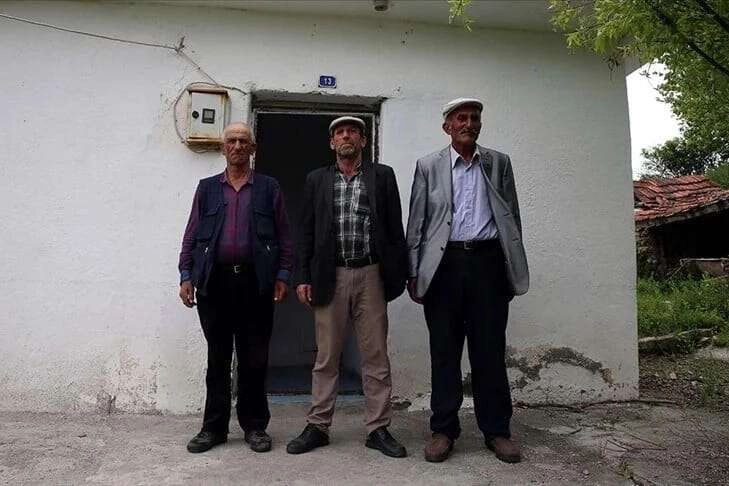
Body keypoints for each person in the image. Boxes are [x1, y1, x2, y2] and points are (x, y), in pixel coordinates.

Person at [405, 98, 529, 463]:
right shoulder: (428, 166)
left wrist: (510, 267)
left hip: (488, 264)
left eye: (475, 118)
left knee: (489, 351)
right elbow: (417, 222)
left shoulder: (498, 162)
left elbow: (511, 217)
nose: (469, 123)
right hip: (443, 266)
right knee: (444, 351)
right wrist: (414, 272)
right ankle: (444, 430)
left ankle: (497, 431)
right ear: (448, 126)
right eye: (461, 118)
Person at [286, 116, 408, 458]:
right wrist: (302, 276)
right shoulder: (317, 180)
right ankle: (318, 425)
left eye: (353, 131)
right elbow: (305, 232)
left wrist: (399, 275)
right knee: (326, 356)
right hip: (331, 276)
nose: (346, 136)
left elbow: (395, 229)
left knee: (375, 355)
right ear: (332, 143)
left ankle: (377, 428)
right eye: (339, 133)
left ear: (363, 140)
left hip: (371, 274)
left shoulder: (382, 176)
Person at [178, 122, 293, 454]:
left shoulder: (268, 188)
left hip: (255, 284)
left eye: (244, 141)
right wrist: (186, 275)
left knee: (254, 359)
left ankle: (255, 427)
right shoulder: (207, 189)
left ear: (252, 148)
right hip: (214, 283)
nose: (238, 146)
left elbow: (284, 237)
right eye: (232, 141)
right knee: (217, 360)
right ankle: (213, 429)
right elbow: (191, 234)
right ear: (223, 148)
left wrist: (283, 275)